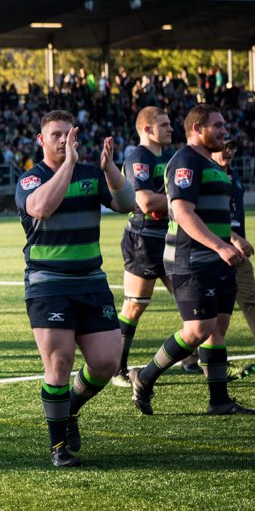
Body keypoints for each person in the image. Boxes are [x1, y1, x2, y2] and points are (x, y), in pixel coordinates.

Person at [15, 111, 135, 467]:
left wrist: (110, 169)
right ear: (41, 140)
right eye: (56, 135)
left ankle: (70, 410)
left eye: (69, 134)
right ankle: (58, 448)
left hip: (91, 281)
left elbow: (127, 204)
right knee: (60, 362)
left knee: (106, 362)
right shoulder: (30, 179)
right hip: (48, 284)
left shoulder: (91, 174)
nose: (63, 140)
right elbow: (41, 207)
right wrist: (67, 164)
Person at [130, 105, 255, 415]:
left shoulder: (211, 163)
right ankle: (144, 377)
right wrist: (219, 246)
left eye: (225, 124)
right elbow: (183, 213)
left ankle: (219, 401)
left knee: (218, 328)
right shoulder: (185, 161)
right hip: (191, 260)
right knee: (198, 329)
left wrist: (232, 239)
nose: (224, 130)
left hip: (218, 258)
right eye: (217, 125)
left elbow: (212, 213)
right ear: (197, 130)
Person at [111, 107, 175, 386]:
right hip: (144, 239)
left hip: (173, 237)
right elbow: (146, 203)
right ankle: (117, 368)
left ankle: (193, 359)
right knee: (135, 306)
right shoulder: (138, 158)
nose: (171, 128)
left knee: (191, 301)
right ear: (147, 129)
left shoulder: (171, 157)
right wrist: (183, 200)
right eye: (164, 124)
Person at [212, 136, 255, 381]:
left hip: (237, 256)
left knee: (251, 300)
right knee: (209, 314)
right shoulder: (207, 173)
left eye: (232, 147)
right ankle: (191, 358)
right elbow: (202, 216)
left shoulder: (234, 176)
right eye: (225, 146)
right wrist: (235, 238)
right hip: (214, 252)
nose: (229, 151)